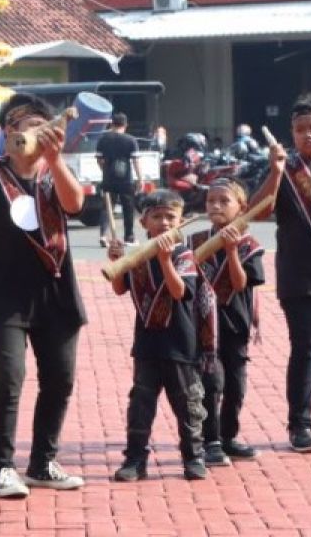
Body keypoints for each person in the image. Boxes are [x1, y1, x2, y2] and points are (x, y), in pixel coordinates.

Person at [0, 92, 87, 499]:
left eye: (36, 124)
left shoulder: (53, 172)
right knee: (9, 379)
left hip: (57, 291)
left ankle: (43, 462)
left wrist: (57, 158)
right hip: (5, 295)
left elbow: (74, 204)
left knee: (60, 381)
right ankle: (4, 468)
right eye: (18, 125)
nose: (27, 132)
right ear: (6, 132)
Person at [108, 190, 212, 482]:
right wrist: (117, 261)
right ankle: (135, 460)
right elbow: (119, 288)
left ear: (181, 221)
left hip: (180, 345)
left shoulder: (184, 255)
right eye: (157, 216)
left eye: (171, 217)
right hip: (146, 346)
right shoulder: (138, 257)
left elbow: (179, 291)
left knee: (188, 405)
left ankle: (193, 458)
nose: (164, 222)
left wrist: (165, 260)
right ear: (144, 222)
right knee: (141, 404)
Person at [250, 93, 311, 453]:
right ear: (291, 134)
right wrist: (275, 173)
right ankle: (300, 426)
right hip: (300, 278)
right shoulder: (284, 169)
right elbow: (255, 213)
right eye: (301, 130)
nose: (309, 135)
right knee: (306, 348)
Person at [190, 178, 265, 464]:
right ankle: (209, 440)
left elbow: (240, 282)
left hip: (234, 325)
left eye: (224, 201)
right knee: (211, 383)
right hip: (203, 328)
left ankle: (228, 436)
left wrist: (232, 251)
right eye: (211, 201)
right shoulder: (195, 241)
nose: (216, 206)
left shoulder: (249, 246)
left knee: (236, 385)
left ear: (241, 208)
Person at [96, 112, 141, 247]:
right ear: (126, 125)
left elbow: (99, 160)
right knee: (128, 208)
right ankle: (129, 237)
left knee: (107, 207)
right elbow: (135, 161)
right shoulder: (130, 140)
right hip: (126, 179)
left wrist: (104, 170)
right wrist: (140, 178)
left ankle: (104, 236)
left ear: (111, 123)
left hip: (108, 178)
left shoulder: (103, 139)